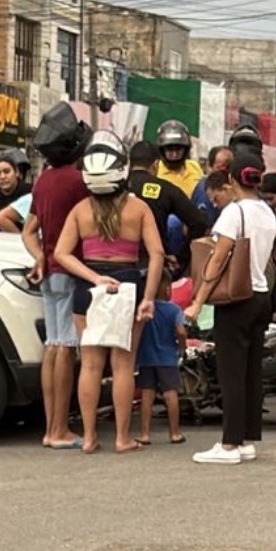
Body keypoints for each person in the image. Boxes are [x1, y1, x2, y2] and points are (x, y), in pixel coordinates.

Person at [55, 132, 164, 455]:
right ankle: (121, 438)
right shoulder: (138, 208)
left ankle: (89, 438)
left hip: (86, 290)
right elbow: (156, 253)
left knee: (89, 365)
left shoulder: (80, 210)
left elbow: (62, 254)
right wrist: (149, 297)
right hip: (128, 286)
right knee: (122, 366)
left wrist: (94, 278)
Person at [185, 152, 276, 465]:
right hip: (261, 294)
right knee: (252, 371)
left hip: (236, 300)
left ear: (231, 179)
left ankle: (229, 445)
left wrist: (198, 301)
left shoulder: (233, 213)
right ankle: (248, 438)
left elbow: (218, 258)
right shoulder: (267, 212)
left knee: (230, 372)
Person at [23, 104, 91, 450]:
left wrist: (39, 258)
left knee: (52, 345)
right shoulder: (79, 182)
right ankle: (60, 429)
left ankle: (51, 428)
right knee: (66, 347)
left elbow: (27, 231)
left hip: (49, 270)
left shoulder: (43, 181)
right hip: (71, 270)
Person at [127, 140, 208, 271]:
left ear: (129, 163)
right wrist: (181, 256)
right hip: (153, 266)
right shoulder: (166, 189)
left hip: (116, 265)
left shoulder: (117, 188)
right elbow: (199, 223)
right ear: (156, 165)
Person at [136, 270, 188, 446]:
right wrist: (182, 345)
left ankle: (144, 434)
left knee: (147, 395)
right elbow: (181, 331)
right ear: (167, 288)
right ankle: (174, 433)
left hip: (145, 357)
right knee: (170, 394)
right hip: (167, 358)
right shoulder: (173, 309)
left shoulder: (141, 309)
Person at [155, 120, 203, 199]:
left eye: (178, 149)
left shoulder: (194, 166)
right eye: (170, 149)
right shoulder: (155, 170)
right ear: (162, 150)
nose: (174, 154)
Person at [191, 146, 235, 225]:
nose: (225, 170)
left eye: (229, 166)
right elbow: (206, 226)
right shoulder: (205, 189)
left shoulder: (235, 184)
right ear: (210, 166)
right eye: (221, 167)